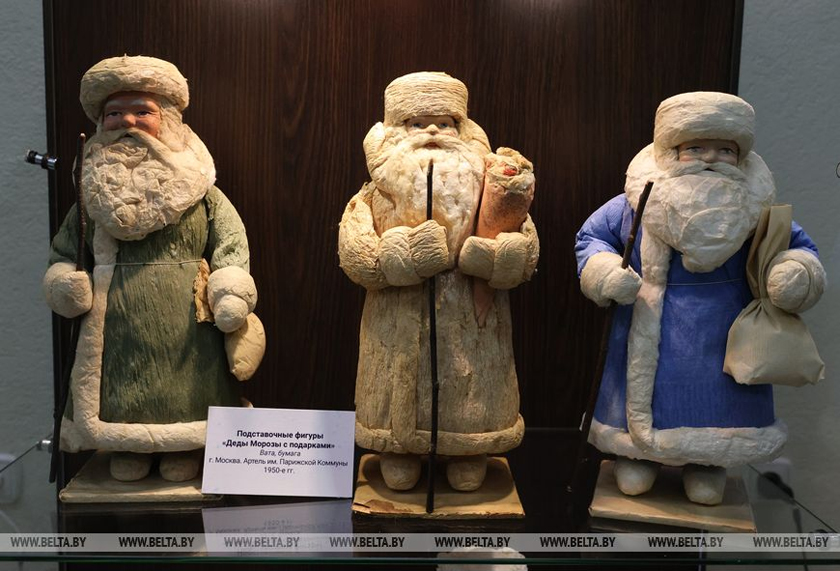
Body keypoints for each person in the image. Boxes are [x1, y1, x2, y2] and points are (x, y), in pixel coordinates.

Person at [575, 92, 826, 505]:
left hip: (724, 331)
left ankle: (707, 463)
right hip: (648, 319)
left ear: (741, 156)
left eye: (724, 150)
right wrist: (604, 271)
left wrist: (793, 273)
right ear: (670, 151)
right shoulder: (637, 200)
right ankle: (636, 455)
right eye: (695, 148)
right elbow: (593, 238)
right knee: (643, 403)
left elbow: (796, 246)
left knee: (718, 402)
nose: (710, 158)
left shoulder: (754, 207)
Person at [43, 56, 265, 482]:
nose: (127, 122)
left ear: (170, 120)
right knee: (123, 389)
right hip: (116, 326)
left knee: (188, 391)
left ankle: (183, 446)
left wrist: (230, 289)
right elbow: (64, 253)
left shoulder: (203, 194)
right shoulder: (90, 199)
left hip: (188, 330)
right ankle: (130, 445)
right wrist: (64, 284)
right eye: (114, 113)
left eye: (142, 111)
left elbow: (230, 246)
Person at [338, 72, 539, 492]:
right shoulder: (373, 194)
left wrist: (499, 256)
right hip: (396, 317)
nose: (432, 132)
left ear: (463, 129)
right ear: (396, 130)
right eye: (417, 123)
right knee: (396, 402)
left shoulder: (490, 189)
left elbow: (526, 247)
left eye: (444, 123)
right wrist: (400, 257)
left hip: (470, 320)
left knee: (470, 391)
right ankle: (398, 448)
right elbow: (355, 252)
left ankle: (468, 448)